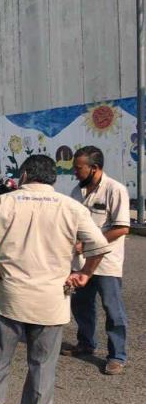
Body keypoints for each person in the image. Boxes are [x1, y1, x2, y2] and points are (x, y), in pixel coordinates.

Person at [0, 155, 110, 404]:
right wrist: (85, 274)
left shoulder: (3, 202)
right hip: (50, 301)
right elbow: (99, 246)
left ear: (26, 174)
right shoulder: (71, 207)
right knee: (42, 364)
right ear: (52, 177)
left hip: (9, 296)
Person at [61, 146, 130, 375]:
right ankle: (86, 344)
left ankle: (117, 355)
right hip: (80, 263)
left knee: (113, 309)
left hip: (106, 264)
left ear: (95, 168)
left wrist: (88, 244)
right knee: (81, 305)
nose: (75, 173)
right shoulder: (76, 191)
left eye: (78, 168)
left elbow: (121, 228)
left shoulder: (115, 190)